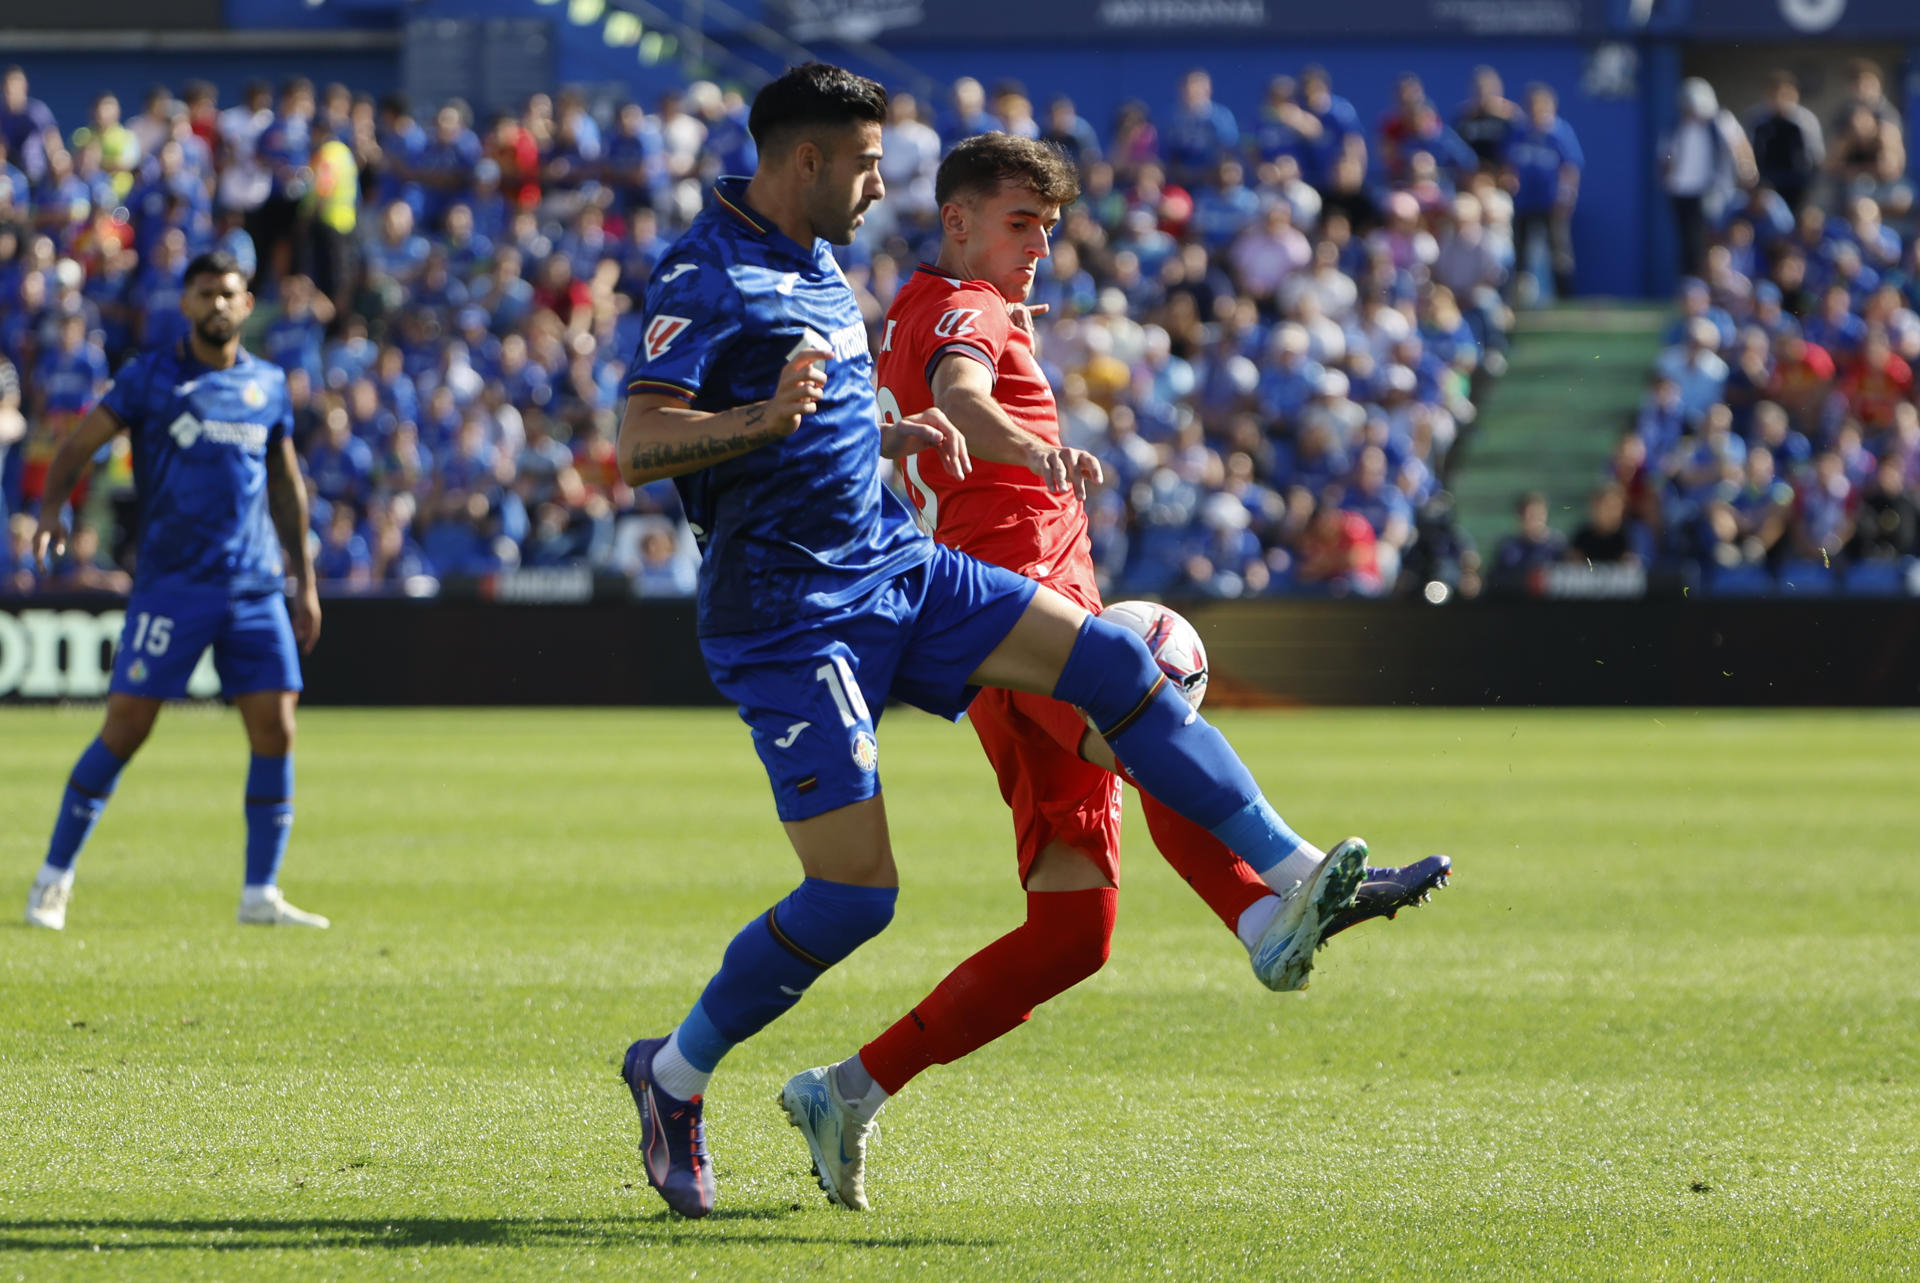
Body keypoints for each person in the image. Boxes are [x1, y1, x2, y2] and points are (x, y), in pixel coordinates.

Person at [611, 64, 1423, 1219]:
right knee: (854, 898)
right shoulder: (708, 267)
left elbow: (823, 410)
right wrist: (766, 419)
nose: (880, 186)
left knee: (1116, 664)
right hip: (790, 615)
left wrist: (879, 431)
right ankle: (675, 1074)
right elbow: (641, 441)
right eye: (867, 165)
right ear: (806, 160)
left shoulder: (819, 263)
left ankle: (1293, 877)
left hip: (901, 569)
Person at [24, 252, 327, 932]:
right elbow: (76, 446)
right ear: (185, 303)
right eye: (205, 293)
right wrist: (51, 512)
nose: (218, 304)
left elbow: (285, 486)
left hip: (253, 587)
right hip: (172, 586)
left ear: (247, 304)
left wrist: (302, 582)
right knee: (127, 726)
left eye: (229, 293)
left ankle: (260, 892)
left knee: (276, 727)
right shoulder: (151, 377)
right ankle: (53, 877)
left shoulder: (269, 386)